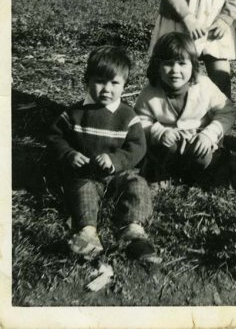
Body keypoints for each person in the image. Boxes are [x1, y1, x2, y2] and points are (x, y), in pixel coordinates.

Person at [47, 46, 155, 259]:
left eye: (114, 83)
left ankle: (133, 230)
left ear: (124, 85)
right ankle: (88, 232)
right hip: (87, 173)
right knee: (83, 191)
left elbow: (137, 147)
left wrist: (115, 160)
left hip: (119, 173)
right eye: (99, 81)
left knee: (137, 185)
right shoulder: (75, 113)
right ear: (87, 80)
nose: (107, 89)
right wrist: (69, 154)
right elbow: (54, 137)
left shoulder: (127, 116)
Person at [134, 32, 236, 181]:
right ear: (157, 65)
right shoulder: (150, 91)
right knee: (163, 152)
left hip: (199, 139)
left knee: (202, 158)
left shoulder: (203, 85)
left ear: (193, 65)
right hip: (168, 140)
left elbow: (226, 111)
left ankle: (209, 166)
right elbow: (139, 120)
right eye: (168, 63)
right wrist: (158, 132)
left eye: (182, 63)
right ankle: (167, 173)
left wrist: (208, 135)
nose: (175, 70)